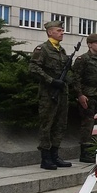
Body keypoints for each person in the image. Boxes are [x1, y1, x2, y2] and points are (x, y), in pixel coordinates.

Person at [29, 20, 73, 170]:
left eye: (62, 30)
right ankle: (45, 157)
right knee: (47, 124)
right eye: (59, 30)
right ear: (50, 32)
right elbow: (33, 67)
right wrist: (51, 80)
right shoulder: (43, 49)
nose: (62, 33)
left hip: (62, 93)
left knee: (60, 124)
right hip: (49, 93)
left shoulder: (61, 50)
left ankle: (55, 154)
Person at [72, 33, 97, 162]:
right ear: (89, 44)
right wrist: (80, 94)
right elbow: (76, 79)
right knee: (88, 124)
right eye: (96, 43)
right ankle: (85, 152)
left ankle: (96, 149)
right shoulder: (82, 59)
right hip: (88, 95)